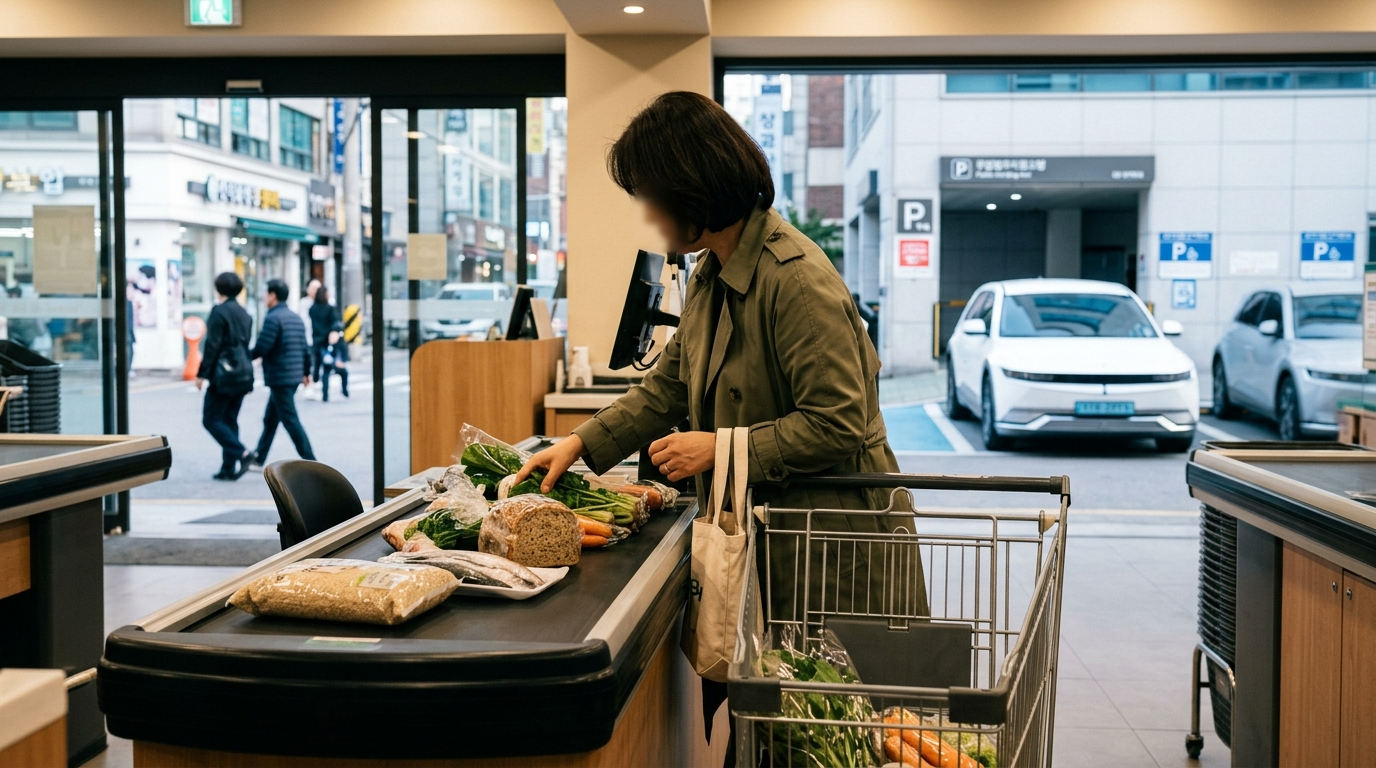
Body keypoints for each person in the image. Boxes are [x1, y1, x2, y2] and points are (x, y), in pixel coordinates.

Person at [513, 91, 924, 759]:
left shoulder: (795, 279)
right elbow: (668, 386)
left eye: (650, 195)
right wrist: (580, 442)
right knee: (778, 729)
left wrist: (721, 448)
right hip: (784, 538)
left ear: (692, 188)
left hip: (839, 549)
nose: (646, 213)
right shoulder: (713, 273)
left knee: (843, 736)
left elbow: (839, 422)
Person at [245, 278, 315, 467]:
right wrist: (307, 372)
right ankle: (259, 457)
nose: (264, 297)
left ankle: (311, 460)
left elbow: (262, 346)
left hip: (280, 376)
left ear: (273, 296)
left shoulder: (273, 317)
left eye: (266, 293)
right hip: (292, 375)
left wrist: (245, 356)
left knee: (290, 420)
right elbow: (305, 348)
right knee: (271, 418)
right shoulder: (295, 317)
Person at [195, 272, 254, 480]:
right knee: (229, 419)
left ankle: (243, 453)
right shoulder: (244, 313)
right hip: (244, 373)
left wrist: (202, 374)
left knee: (211, 419)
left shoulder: (219, 313)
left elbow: (212, 346)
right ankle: (228, 467)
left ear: (218, 289)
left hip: (224, 375)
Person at [308, 286, 349, 401]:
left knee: (323, 368)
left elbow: (314, 326)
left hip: (318, 342)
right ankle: (344, 389)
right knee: (338, 368)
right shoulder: (330, 309)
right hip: (329, 342)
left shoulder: (312, 309)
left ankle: (324, 393)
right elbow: (336, 322)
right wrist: (332, 332)